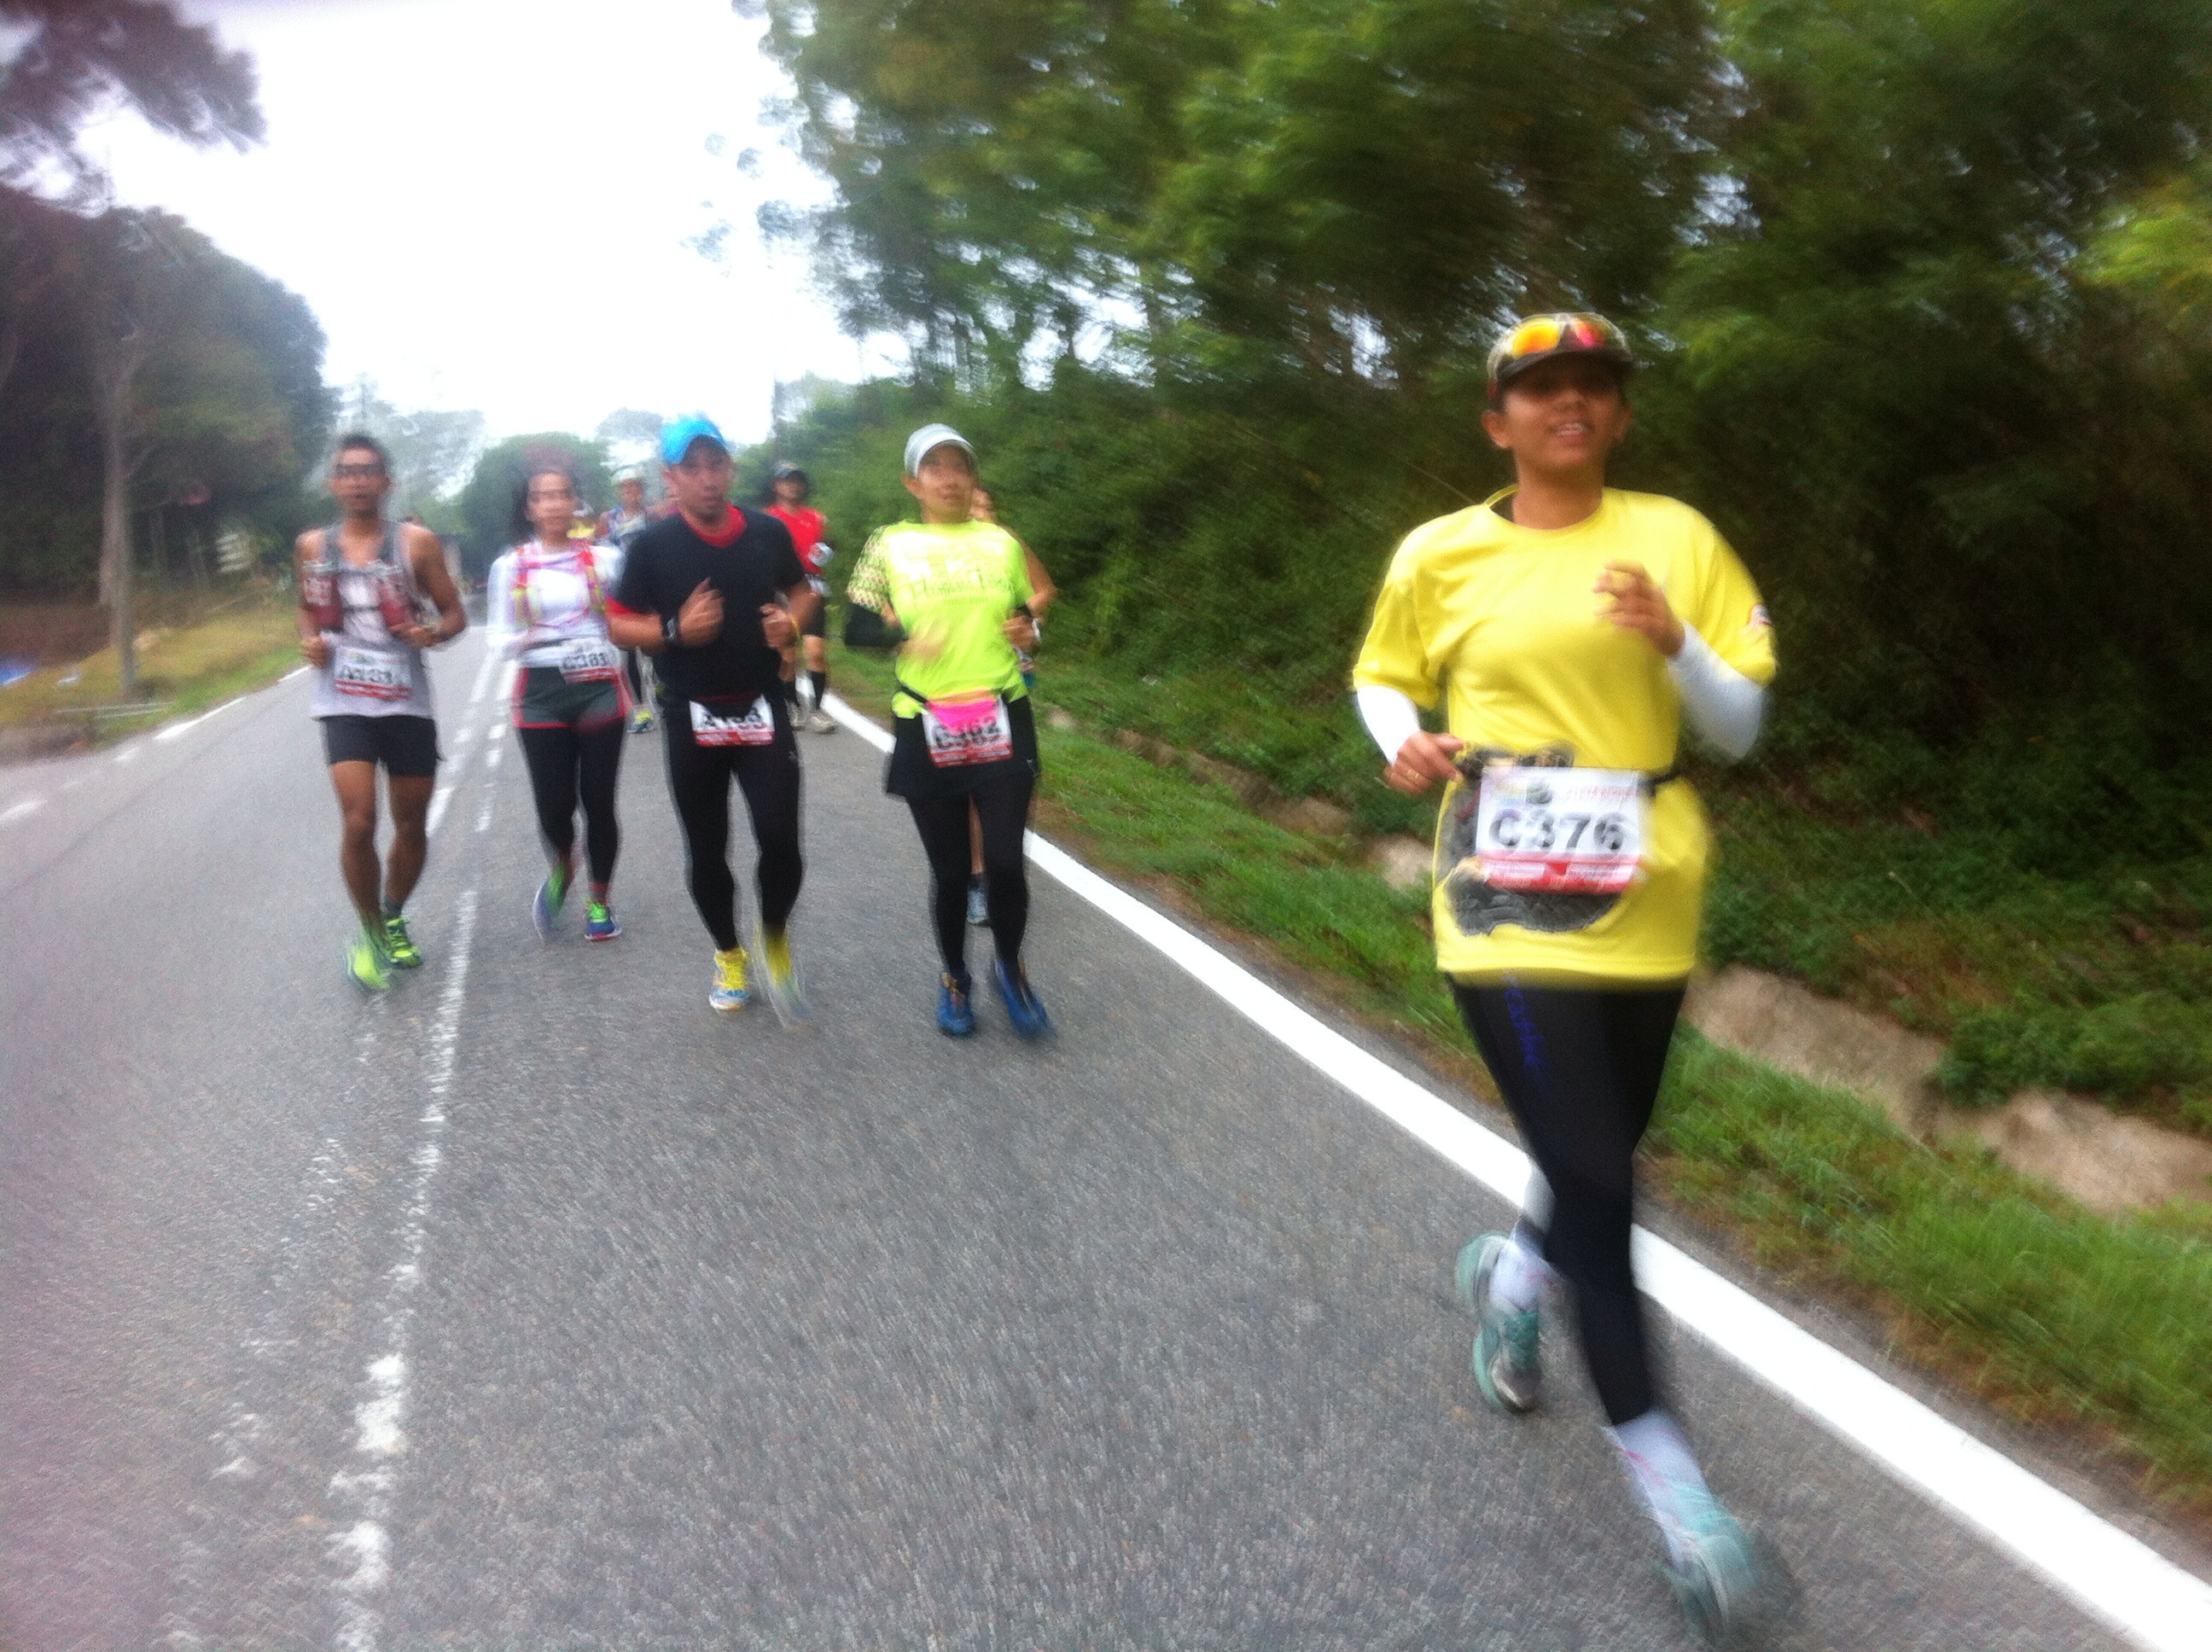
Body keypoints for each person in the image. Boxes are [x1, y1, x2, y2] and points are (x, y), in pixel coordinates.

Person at [1350, 313, 1792, 1645]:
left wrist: (1676, 642)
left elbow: (1741, 727)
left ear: (1620, 415)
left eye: (1595, 385)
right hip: (1500, 900)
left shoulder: (1679, 538)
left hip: (1645, 894)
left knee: (1595, 1148)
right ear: (1498, 421)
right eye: (1541, 388)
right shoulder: (1439, 551)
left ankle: (1509, 1287)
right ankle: (1685, 1510)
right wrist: (1404, 740)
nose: (1571, 403)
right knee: (1602, 1185)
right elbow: (1382, 677)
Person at [605, 414, 816, 1021]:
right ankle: (729, 951)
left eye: (715, 464)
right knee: (707, 847)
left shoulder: (767, 532)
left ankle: (773, 934)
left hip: (761, 705)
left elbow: (803, 590)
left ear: (731, 468)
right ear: (669, 477)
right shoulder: (651, 546)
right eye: (691, 467)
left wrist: (791, 622)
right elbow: (618, 622)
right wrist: (673, 632)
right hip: (690, 713)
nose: (706, 478)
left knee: (781, 839)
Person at [844, 424, 1050, 1038]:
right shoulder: (888, 543)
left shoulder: (1000, 543)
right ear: (913, 483)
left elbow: (1025, 621)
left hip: (1002, 714)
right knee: (953, 872)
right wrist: (904, 636)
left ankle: (1010, 970)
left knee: (1006, 864)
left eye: (959, 466)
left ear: (973, 477)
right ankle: (955, 976)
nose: (950, 478)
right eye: (934, 467)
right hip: (927, 720)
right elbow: (855, 629)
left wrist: (1030, 634)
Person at [295, 433, 468, 992]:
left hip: (405, 701)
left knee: (411, 824)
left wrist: (432, 633)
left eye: (368, 471)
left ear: (386, 482)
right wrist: (310, 642)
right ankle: (369, 932)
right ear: (333, 483)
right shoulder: (312, 546)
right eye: (347, 471)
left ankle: (392, 914)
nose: (357, 481)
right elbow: (306, 608)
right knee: (359, 821)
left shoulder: (416, 544)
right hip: (342, 700)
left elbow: (455, 613)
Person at [487, 463, 629, 944]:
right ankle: (564, 863)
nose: (553, 504)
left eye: (562, 494)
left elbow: (628, 617)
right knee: (553, 806)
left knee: (599, 801)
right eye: (542, 496)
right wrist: (529, 638)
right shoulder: (511, 567)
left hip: (598, 687)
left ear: (576, 503)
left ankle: (600, 900)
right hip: (540, 692)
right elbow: (497, 640)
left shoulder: (606, 560)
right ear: (529, 508)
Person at [961, 486, 1056, 927]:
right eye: (973, 507)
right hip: (952, 682)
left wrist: (1021, 619)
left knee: (1002, 778)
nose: (982, 514)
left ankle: (994, 873)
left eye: (988, 507)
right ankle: (976, 877)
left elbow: (1044, 590)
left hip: (1006, 676)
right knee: (967, 785)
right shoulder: (933, 550)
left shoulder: (1008, 543)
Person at [762, 461, 836, 734]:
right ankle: (792, 705)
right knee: (788, 657)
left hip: (812, 589)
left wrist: (825, 554)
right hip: (780, 590)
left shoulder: (818, 518)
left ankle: (817, 709)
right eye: (787, 481)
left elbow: (826, 550)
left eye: (797, 481)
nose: (793, 486)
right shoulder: (767, 519)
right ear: (776, 486)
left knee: (815, 652)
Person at [600, 468, 658, 734]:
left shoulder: (651, 515)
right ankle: (642, 710)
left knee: (655, 645)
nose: (630, 491)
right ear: (619, 491)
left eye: (634, 486)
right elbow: (599, 550)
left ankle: (660, 688)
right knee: (628, 652)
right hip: (622, 589)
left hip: (650, 587)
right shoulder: (609, 518)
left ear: (641, 489)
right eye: (625, 487)